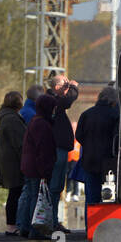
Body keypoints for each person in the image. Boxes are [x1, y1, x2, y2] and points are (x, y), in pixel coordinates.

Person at [75, 86, 120, 221]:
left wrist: (89, 146)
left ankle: (90, 226)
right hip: (108, 161)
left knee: (91, 196)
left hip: (89, 160)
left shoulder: (86, 114)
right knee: (109, 196)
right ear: (114, 101)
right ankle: (104, 225)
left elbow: (78, 136)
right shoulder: (115, 115)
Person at [18, 93, 58, 239]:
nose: (54, 111)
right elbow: (44, 150)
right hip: (37, 168)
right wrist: (45, 172)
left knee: (29, 196)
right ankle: (35, 231)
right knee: (37, 198)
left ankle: (24, 227)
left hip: (28, 165)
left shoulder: (34, 121)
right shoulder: (43, 125)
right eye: (53, 108)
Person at [46, 75, 80, 231]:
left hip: (60, 150)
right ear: (57, 87)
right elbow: (68, 101)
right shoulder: (53, 101)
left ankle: (53, 220)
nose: (67, 86)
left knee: (58, 186)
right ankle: (50, 221)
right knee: (54, 186)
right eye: (64, 83)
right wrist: (73, 88)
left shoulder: (54, 101)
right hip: (56, 150)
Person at [0, 91, 27, 234]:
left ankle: (12, 224)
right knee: (15, 192)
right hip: (13, 162)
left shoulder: (5, 117)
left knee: (14, 192)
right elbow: (19, 144)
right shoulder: (12, 119)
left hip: (6, 160)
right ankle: (12, 225)